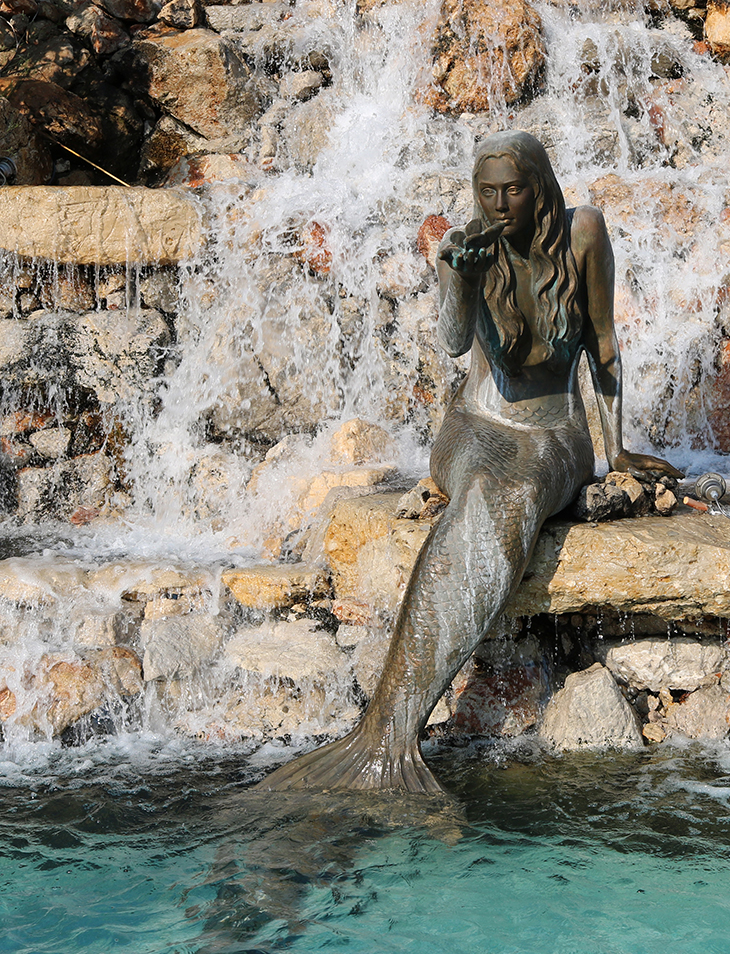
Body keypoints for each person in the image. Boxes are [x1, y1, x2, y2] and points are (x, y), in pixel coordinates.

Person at [259, 131, 681, 794]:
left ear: (539, 185)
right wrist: (455, 272)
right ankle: (390, 733)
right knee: (486, 483)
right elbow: (457, 342)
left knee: (508, 493)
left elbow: (602, 338)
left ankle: (393, 734)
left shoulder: (584, 234)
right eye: (488, 191)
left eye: (514, 188)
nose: (501, 202)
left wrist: (614, 447)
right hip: (474, 425)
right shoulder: (470, 245)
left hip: (554, 432)